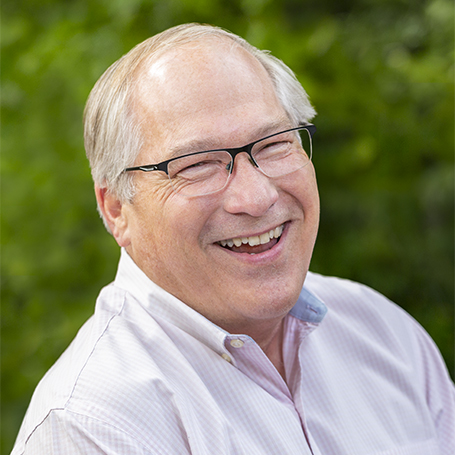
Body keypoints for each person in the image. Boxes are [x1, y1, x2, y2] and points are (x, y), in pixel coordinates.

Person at [12, 23, 454, 455]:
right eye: (197, 165)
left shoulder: (384, 333)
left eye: (274, 144)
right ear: (116, 210)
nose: (256, 197)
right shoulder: (91, 425)